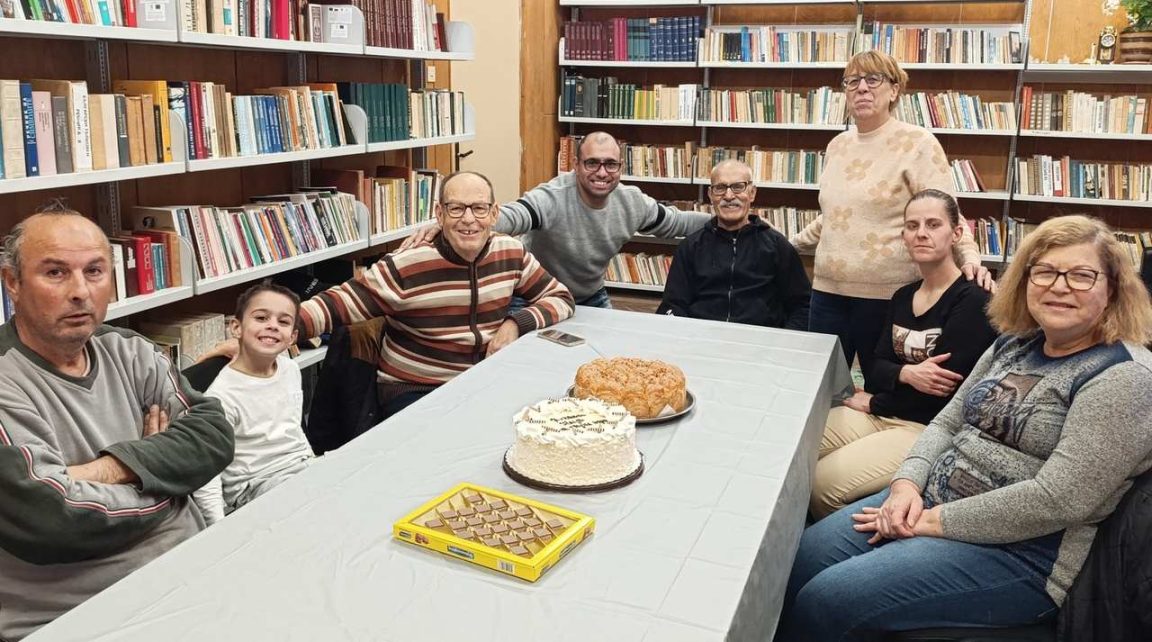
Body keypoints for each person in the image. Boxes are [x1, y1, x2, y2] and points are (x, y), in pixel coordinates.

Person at [777, 215, 1152, 641]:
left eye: (1082, 275)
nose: (1059, 286)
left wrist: (931, 521)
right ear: (1025, 280)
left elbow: (1057, 500)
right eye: (1045, 271)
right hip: (929, 503)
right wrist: (905, 486)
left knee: (829, 597)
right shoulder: (1013, 343)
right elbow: (947, 422)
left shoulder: (1124, 377)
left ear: (1113, 289)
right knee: (802, 556)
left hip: (1021, 555)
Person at [0, 209, 233, 640]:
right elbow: (52, 518)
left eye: (94, 271)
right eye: (55, 273)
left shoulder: (129, 350)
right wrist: (167, 480)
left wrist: (106, 470)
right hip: (74, 613)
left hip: (188, 572)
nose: (80, 292)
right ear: (12, 282)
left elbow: (213, 435)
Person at [300, 170, 575, 416]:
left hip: (482, 381)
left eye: (479, 208)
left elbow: (560, 298)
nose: (469, 219)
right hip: (416, 390)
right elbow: (336, 304)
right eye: (456, 208)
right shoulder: (407, 263)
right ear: (439, 214)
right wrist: (284, 324)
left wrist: (514, 324)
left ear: (494, 214)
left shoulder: (510, 253)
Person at [792, 50, 994, 376]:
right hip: (826, 292)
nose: (862, 88)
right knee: (820, 384)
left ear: (894, 90)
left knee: (880, 386)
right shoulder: (837, 146)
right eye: (852, 81)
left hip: (887, 296)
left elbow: (945, 212)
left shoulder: (918, 143)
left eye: (873, 80)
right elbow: (834, 215)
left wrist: (970, 258)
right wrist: (787, 246)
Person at [810, 189, 998, 518]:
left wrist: (879, 397)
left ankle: (832, 542)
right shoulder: (902, 296)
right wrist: (907, 374)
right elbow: (875, 368)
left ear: (956, 234)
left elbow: (942, 394)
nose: (921, 233)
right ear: (904, 236)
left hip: (924, 428)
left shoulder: (973, 301)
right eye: (912, 226)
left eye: (933, 224)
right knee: (795, 446)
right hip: (883, 412)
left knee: (820, 484)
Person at [402, 132, 711, 307]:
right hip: (533, 296)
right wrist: (452, 223)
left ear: (620, 167)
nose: (602, 172)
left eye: (610, 164)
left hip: (590, 296)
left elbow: (677, 223)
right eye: (592, 163)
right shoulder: (552, 197)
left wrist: (726, 217)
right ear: (576, 165)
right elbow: (512, 216)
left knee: (605, 361)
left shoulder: (632, 202)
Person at [193, 282, 314, 525]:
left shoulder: (290, 369)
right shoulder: (221, 397)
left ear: (292, 337)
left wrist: (314, 463)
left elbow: (293, 430)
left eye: (283, 321)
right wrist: (218, 530)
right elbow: (207, 475)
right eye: (261, 318)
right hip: (256, 486)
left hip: (303, 469)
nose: (272, 325)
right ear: (236, 327)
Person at [657, 159, 810, 330]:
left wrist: (785, 340)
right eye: (720, 188)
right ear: (710, 195)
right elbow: (673, 304)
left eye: (738, 187)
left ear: (752, 193)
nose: (729, 196)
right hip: (702, 337)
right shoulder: (690, 247)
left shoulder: (778, 247)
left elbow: (802, 306)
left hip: (760, 341)